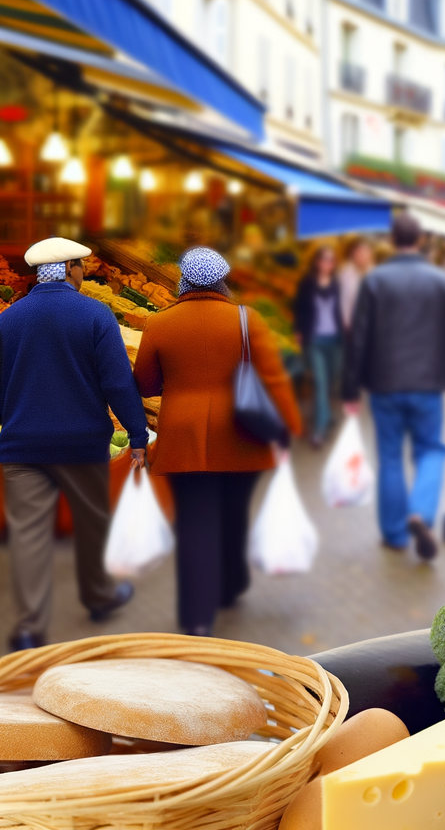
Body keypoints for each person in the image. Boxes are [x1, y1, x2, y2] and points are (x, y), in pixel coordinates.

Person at [133, 247, 302, 637]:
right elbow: (273, 378)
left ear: (185, 278)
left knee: (194, 521)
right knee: (234, 510)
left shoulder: (160, 322)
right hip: (243, 435)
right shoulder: (247, 319)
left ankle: (195, 612)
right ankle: (230, 585)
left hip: (183, 438)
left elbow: (144, 384)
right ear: (222, 278)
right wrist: (288, 427)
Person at [0, 237, 146, 651]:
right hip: (81, 444)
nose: (85, 273)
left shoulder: (7, 321)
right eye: (81, 267)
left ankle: (29, 624)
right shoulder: (95, 315)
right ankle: (99, 596)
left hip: (21, 446)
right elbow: (117, 381)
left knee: (28, 535)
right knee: (92, 523)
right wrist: (136, 433)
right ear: (67, 270)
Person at [342, 213, 445, 560]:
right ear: (420, 239)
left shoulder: (374, 280)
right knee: (432, 449)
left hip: (383, 384)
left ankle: (394, 534)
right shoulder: (441, 281)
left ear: (391, 238)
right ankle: (420, 511)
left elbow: (359, 338)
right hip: (428, 384)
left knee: (389, 457)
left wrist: (350, 389)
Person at [293, 245, 344, 448]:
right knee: (321, 384)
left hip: (336, 341)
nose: (327, 264)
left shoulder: (338, 283)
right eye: (324, 259)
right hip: (315, 340)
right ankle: (319, 431)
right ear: (317, 262)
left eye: (331, 260)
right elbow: (299, 308)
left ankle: (327, 413)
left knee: (331, 381)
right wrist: (299, 332)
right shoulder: (307, 283)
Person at [339, 237, 374, 335]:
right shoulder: (344, 273)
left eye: (365, 252)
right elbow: (343, 301)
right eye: (358, 252)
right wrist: (345, 323)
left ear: (370, 254)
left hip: (371, 327)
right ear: (353, 254)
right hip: (350, 326)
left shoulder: (376, 274)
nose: (361, 255)